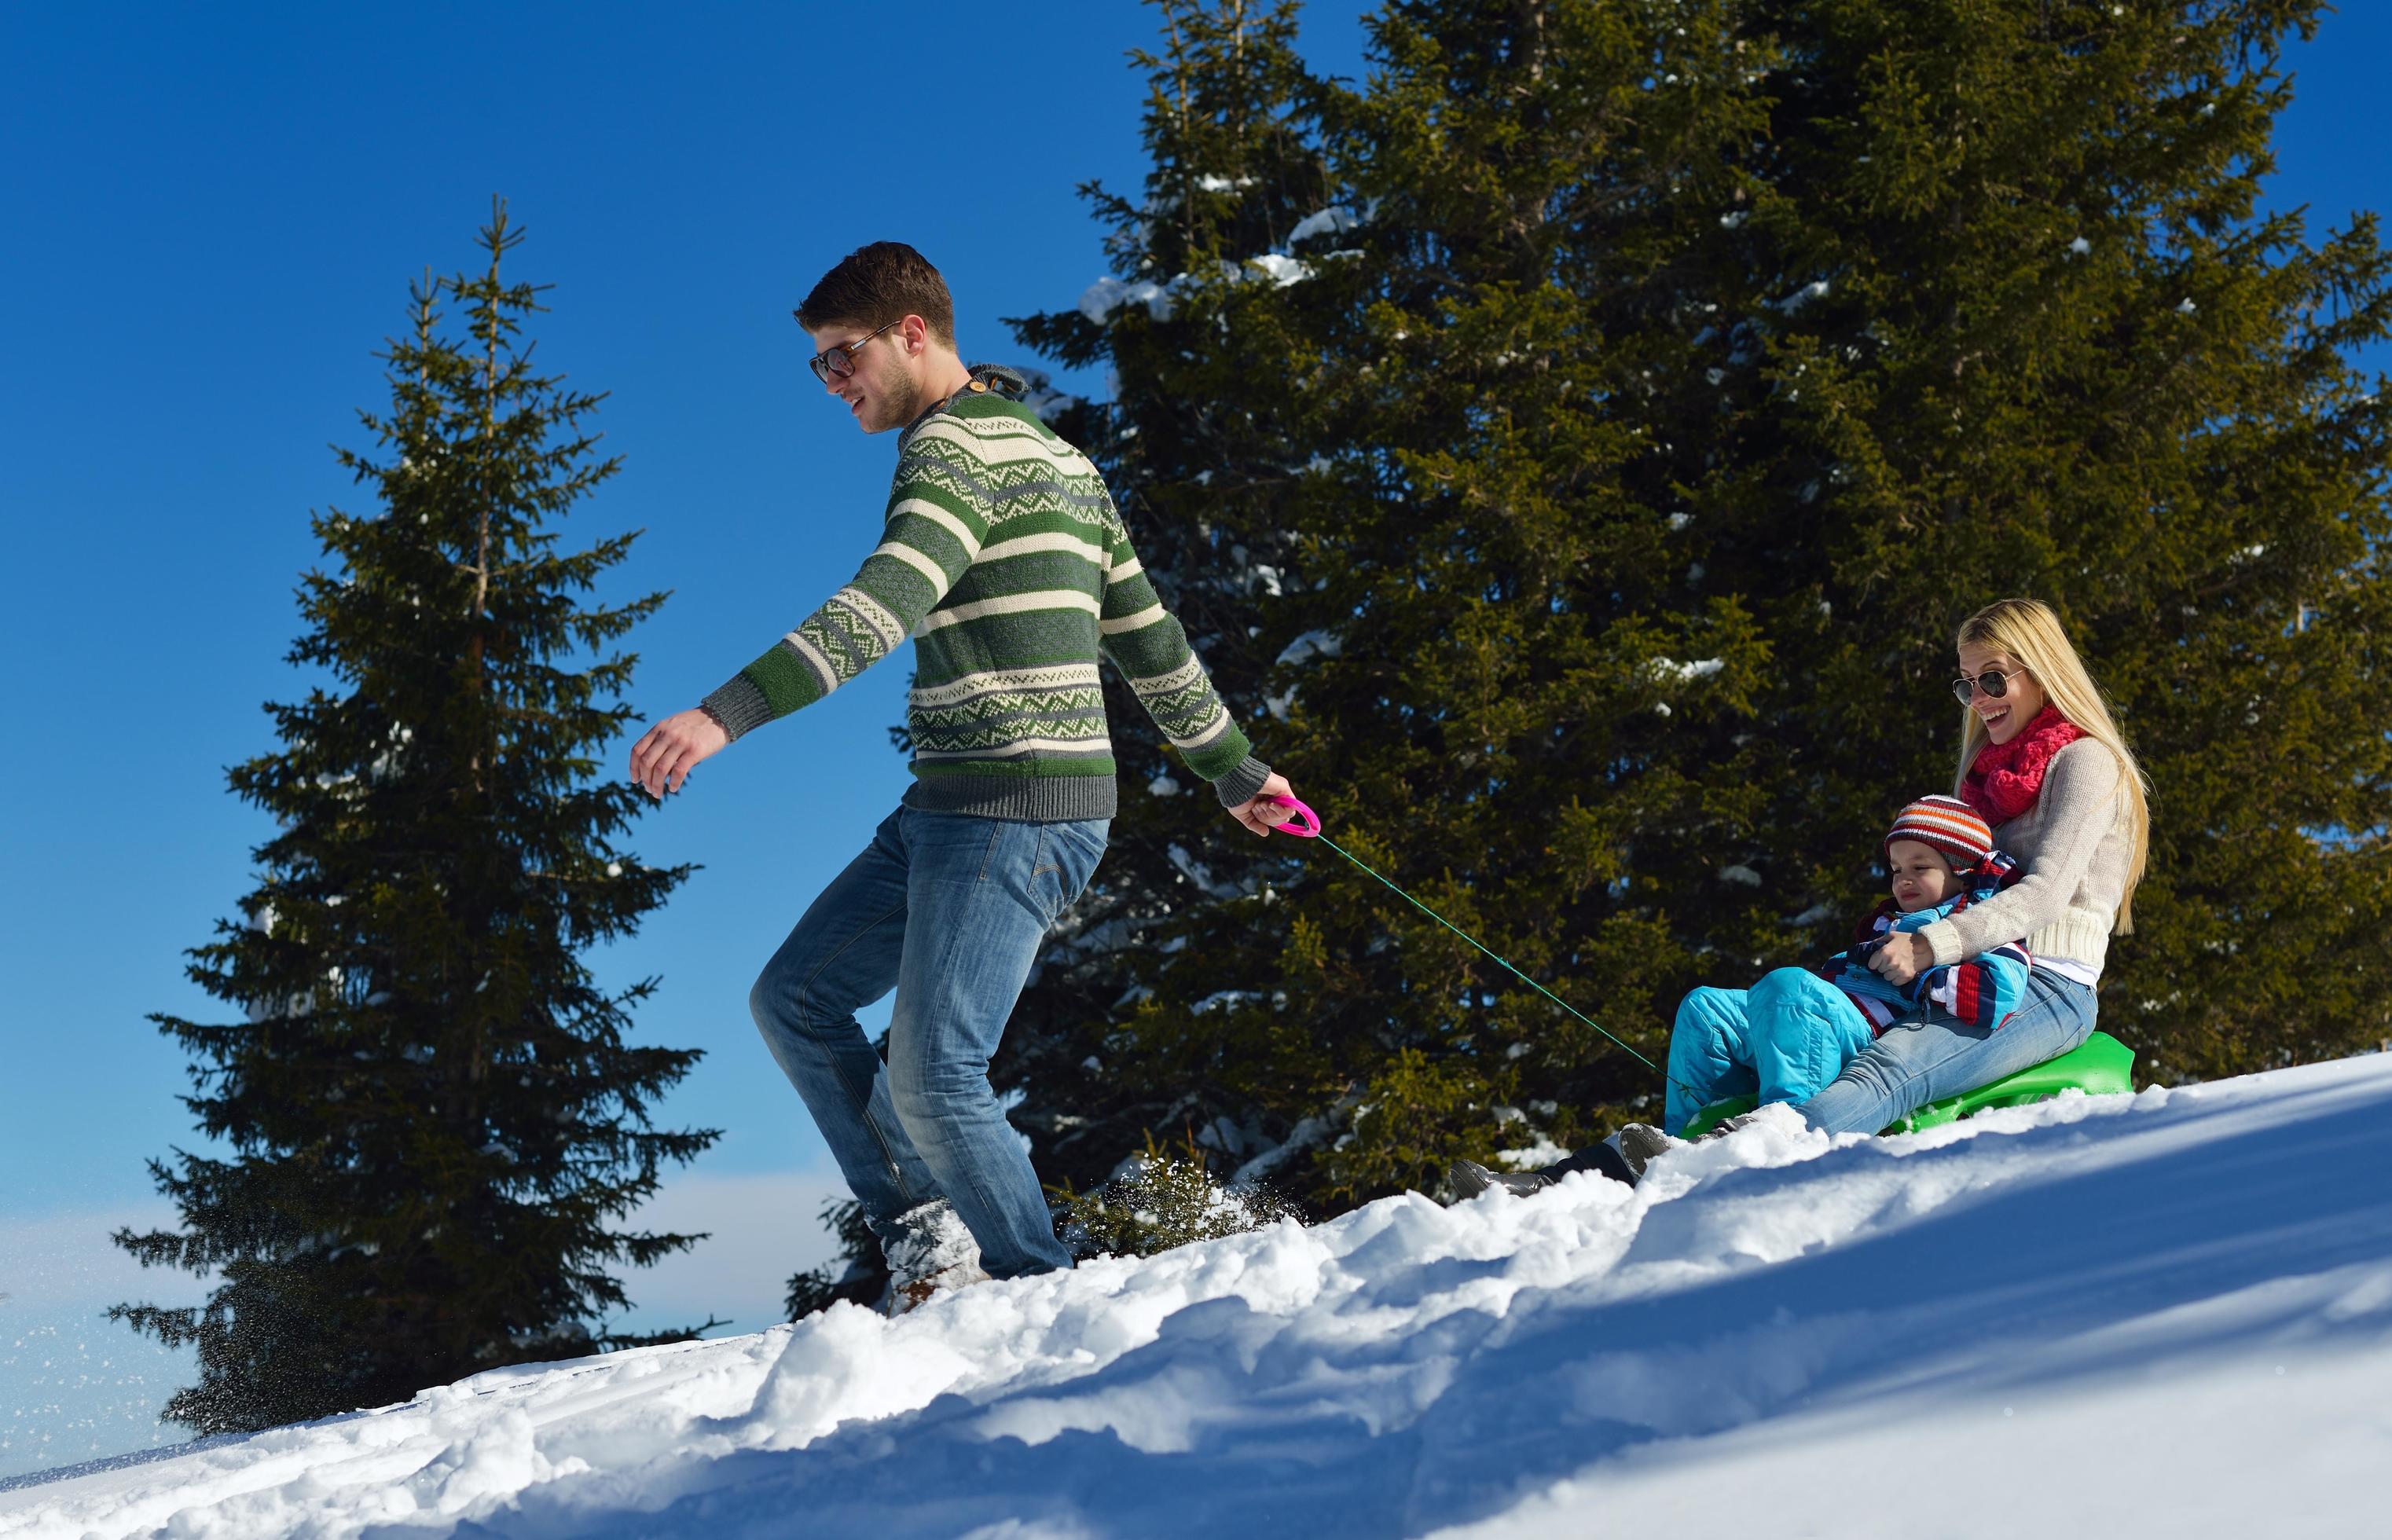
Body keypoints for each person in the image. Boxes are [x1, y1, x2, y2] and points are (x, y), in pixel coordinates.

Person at [627, 242, 1298, 1304]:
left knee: (934, 1079)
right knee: (795, 999)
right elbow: (1149, 637)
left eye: (840, 356)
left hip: (1016, 812)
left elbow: (891, 593)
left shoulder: (950, 449)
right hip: (953, 809)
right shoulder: (1063, 462)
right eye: (818, 366)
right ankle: (931, 1239)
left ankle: (1041, 1298)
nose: (832, 383)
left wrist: (725, 715)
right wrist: (1232, 770)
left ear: (912, 332)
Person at [1455, 596, 2148, 1195]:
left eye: (1993, 677)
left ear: (2043, 671)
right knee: (1717, 1017)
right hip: (1947, 968)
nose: (1981, 699)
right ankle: (1601, 1171)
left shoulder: (2084, 761)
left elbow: (2046, 892)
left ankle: (1727, 1162)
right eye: (1968, 685)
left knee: (1889, 1069)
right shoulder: (1986, 777)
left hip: (2043, 987)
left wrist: (1930, 941)